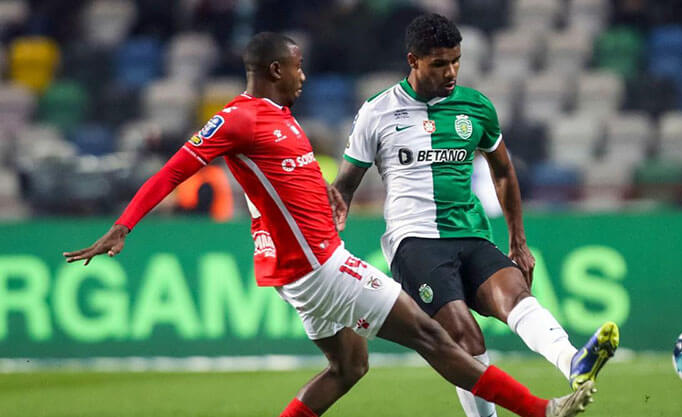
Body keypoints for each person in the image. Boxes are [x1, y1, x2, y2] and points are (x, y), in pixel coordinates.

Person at [63, 32, 596, 417]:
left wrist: (332, 199)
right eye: (297, 67)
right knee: (436, 337)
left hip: (301, 273)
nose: (303, 75)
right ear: (276, 69)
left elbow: (291, 189)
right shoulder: (239, 119)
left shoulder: (282, 118)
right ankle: (542, 411)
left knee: (349, 369)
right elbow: (176, 169)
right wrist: (124, 225)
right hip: (321, 267)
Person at [332, 14, 619, 417]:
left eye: (456, 61)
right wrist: (334, 218)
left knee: (516, 294)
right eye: (439, 64)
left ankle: (574, 362)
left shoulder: (476, 107)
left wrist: (517, 241)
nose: (450, 72)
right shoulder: (377, 112)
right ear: (413, 60)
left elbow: (503, 171)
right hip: (415, 243)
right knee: (466, 337)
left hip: (471, 233)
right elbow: (345, 184)